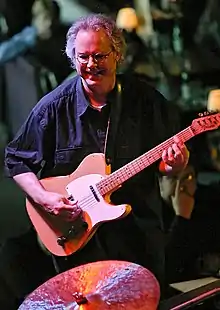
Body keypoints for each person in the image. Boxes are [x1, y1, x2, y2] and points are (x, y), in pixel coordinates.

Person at [4, 13, 189, 298]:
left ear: (117, 54)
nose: (90, 65)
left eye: (99, 56)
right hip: (78, 243)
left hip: (139, 238)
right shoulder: (54, 106)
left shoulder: (147, 101)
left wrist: (175, 164)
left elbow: (168, 163)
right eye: (83, 57)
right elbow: (16, 159)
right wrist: (45, 198)